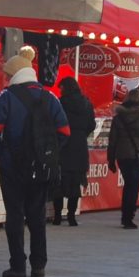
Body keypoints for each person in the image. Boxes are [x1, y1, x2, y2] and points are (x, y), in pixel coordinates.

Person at [0, 48, 69, 277]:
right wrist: (47, 154)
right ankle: (39, 266)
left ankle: (18, 267)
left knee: (14, 215)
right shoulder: (50, 97)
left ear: (13, 74)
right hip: (41, 168)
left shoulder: (5, 97)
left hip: (13, 167)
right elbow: (65, 131)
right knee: (37, 215)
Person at [107, 89, 139, 229]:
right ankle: (128, 217)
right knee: (133, 186)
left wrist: (110, 159)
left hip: (122, 155)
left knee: (128, 185)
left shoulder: (118, 117)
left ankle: (126, 216)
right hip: (138, 155)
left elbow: (112, 140)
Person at [53, 77, 94, 226]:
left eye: (61, 87)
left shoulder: (60, 103)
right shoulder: (86, 103)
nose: (60, 90)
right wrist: (81, 133)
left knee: (60, 181)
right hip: (79, 145)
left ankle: (57, 216)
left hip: (63, 144)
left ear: (66, 88)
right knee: (76, 182)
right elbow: (92, 124)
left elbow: (54, 122)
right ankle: (71, 216)